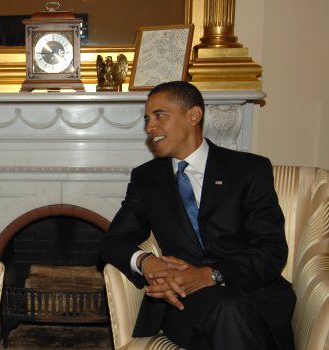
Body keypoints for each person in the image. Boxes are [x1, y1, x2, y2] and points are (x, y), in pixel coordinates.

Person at [100, 81, 296, 350]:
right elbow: (113, 241)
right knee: (229, 311)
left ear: (193, 116)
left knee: (232, 311)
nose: (149, 127)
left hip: (251, 293)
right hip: (183, 303)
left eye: (159, 116)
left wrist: (210, 275)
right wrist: (147, 263)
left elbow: (271, 250)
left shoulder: (248, 170)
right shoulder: (147, 179)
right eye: (147, 119)